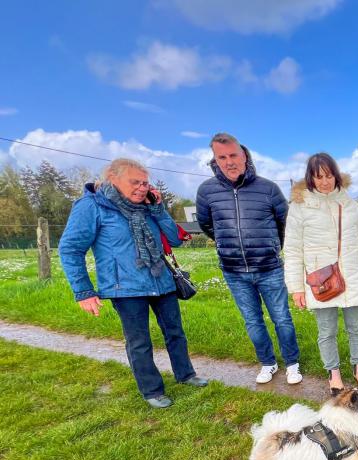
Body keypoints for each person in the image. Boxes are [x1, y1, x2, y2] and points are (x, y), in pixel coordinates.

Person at [59, 158, 208, 408]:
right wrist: (83, 291)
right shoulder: (92, 206)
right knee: (139, 341)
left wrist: (159, 209)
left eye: (145, 183)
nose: (141, 188)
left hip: (161, 280)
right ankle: (152, 390)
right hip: (125, 287)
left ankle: (186, 374)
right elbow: (70, 248)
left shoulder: (148, 206)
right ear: (113, 179)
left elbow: (176, 239)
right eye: (135, 182)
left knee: (175, 333)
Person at [196, 132, 302, 385]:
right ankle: (268, 363)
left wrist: (272, 246)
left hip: (269, 267)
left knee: (282, 318)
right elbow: (207, 225)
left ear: (244, 155)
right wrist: (228, 245)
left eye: (233, 155)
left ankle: (292, 363)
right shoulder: (206, 191)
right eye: (222, 157)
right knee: (252, 321)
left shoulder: (268, 188)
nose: (229, 161)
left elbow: (285, 223)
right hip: (234, 270)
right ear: (215, 159)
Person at [284, 153, 358, 393]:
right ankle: (333, 372)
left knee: (356, 328)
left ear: (336, 175)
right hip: (321, 280)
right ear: (311, 178)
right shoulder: (298, 207)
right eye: (319, 177)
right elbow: (292, 250)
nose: (325, 182)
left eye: (329, 176)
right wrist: (296, 287)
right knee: (327, 330)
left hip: (352, 275)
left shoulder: (351, 205)